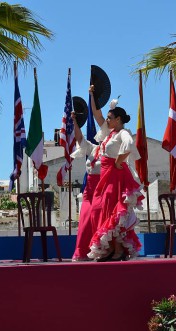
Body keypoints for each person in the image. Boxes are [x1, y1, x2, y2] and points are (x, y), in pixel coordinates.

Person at [86, 100, 144, 262]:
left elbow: (130, 144)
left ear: (118, 119)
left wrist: (119, 160)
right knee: (105, 210)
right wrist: (92, 95)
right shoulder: (110, 133)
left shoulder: (122, 133)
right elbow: (97, 115)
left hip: (115, 176)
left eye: (110, 118)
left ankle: (118, 250)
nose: (107, 120)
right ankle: (112, 248)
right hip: (106, 177)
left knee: (114, 211)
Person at [70, 85, 105, 261]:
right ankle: (83, 251)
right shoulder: (92, 148)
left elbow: (99, 116)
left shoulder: (110, 150)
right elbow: (80, 139)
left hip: (102, 189)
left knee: (97, 219)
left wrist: (92, 95)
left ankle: (99, 251)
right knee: (84, 219)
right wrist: (75, 122)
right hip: (89, 190)